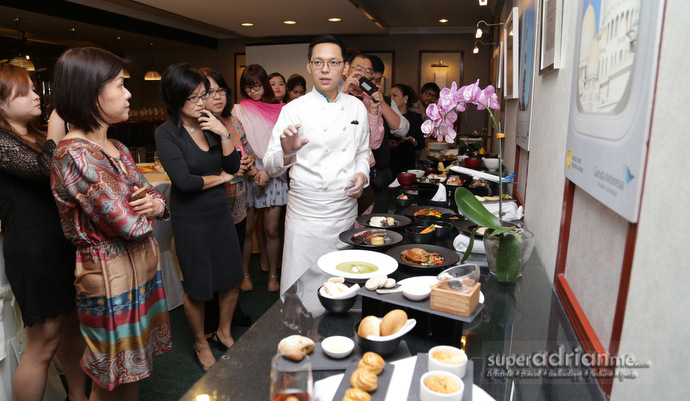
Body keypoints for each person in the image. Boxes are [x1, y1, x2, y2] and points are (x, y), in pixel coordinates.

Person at [50, 47, 171, 399]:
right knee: (110, 378)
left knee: (133, 373)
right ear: (91, 92)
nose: (129, 93)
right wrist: (149, 207)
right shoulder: (73, 153)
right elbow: (129, 224)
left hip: (140, 269)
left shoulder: (118, 145)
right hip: (107, 276)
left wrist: (153, 204)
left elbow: (158, 201)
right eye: (120, 85)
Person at [0, 64, 87, 401]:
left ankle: (77, 397)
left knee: (74, 329)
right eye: (23, 92)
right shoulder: (3, 141)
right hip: (33, 249)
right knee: (44, 342)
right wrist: (55, 128)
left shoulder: (36, 137)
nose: (36, 95)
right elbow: (46, 171)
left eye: (34, 89)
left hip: (62, 243)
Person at [263, 34, 370, 294]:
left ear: (345, 68)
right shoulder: (293, 109)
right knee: (299, 290)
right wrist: (287, 153)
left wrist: (362, 175)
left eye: (333, 63)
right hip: (305, 216)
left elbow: (362, 152)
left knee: (340, 285)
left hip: (343, 210)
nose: (325, 69)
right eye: (318, 62)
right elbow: (269, 165)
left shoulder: (357, 107)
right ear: (309, 66)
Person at [155, 63, 243, 372]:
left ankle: (223, 331)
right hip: (191, 217)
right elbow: (185, 182)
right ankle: (200, 341)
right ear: (175, 98)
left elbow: (233, 163)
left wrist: (224, 132)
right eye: (193, 97)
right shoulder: (166, 134)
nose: (200, 103)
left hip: (220, 212)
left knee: (232, 277)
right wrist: (222, 178)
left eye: (202, 95)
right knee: (198, 286)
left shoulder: (212, 122)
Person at [198, 67, 257, 310]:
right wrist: (232, 167)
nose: (218, 97)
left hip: (238, 202)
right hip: (213, 206)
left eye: (221, 90)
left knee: (234, 262)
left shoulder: (233, 122)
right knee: (215, 266)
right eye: (210, 92)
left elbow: (248, 151)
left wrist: (249, 161)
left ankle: (232, 312)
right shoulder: (198, 127)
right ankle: (214, 318)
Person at [231, 64, 285, 293]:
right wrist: (253, 170)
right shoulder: (238, 110)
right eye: (248, 88)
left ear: (265, 84)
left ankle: (273, 274)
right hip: (248, 172)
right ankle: (244, 274)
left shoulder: (283, 109)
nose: (253, 92)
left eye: (257, 86)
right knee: (247, 230)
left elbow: (286, 146)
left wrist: (269, 171)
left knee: (272, 229)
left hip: (275, 172)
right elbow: (236, 142)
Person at [339, 52, 384, 215]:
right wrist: (343, 92)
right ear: (346, 70)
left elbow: (374, 143)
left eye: (368, 71)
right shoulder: (330, 96)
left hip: (362, 173)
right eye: (358, 68)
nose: (363, 74)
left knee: (364, 226)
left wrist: (373, 111)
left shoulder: (371, 99)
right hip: (336, 174)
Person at [389, 84, 426, 175]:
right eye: (390, 96)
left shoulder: (415, 118)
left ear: (405, 98)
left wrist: (413, 141)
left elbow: (421, 144)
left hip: (408, 164)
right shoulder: (386, 116)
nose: (391, 99)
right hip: (388, 163)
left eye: (395, 95)